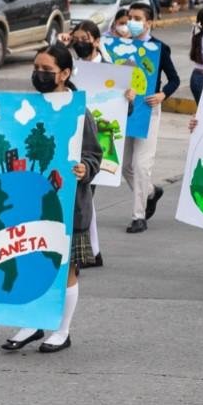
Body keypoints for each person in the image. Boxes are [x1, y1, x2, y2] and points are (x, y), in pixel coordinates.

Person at [0, 43, 102, 353]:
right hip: (32, 203)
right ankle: (32, 322)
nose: (39, 75)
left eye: (47, 71)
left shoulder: (78, 110)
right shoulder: (29, 108)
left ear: (65, 73)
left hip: (68, 205)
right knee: (32, 263)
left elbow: (94, 154)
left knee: (65, 266)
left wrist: (86, 168)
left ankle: (62, 330)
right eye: (36, 69)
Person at [69, 21, 134, 270]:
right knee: (85, 195)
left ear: (97, 41)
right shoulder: (70, 67)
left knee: (86, 194)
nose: (80, 42)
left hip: (96, 141)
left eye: (85, 38)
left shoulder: (111, 71)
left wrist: (128, 99)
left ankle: (92, 250)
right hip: (73, 135)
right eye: (77, 38)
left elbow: (124, 111)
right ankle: (93, 251)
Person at [122, 3, 180, 233]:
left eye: (137, 18)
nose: (132, 22)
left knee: (141, 164)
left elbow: (174, 79)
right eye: (129, 18)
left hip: (148, 109)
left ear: (149, 23)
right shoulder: (121, 47)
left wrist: (162, 94)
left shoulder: (159, 48)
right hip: (125, 109)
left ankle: (139, 216)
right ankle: (151, 193)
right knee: (125, 165)